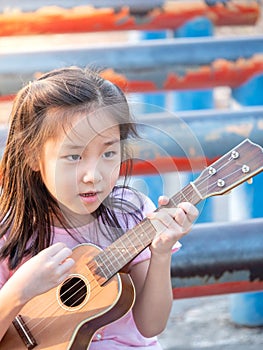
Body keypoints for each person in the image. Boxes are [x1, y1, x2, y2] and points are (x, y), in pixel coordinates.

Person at [0, 66, 198, 349]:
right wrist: (19, 290)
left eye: (108, 153)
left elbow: (151, 325)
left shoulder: (130, 212)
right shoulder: (10, 229)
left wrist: (161, 253)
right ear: (33, 155)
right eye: (73, 156)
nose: (93, 175)